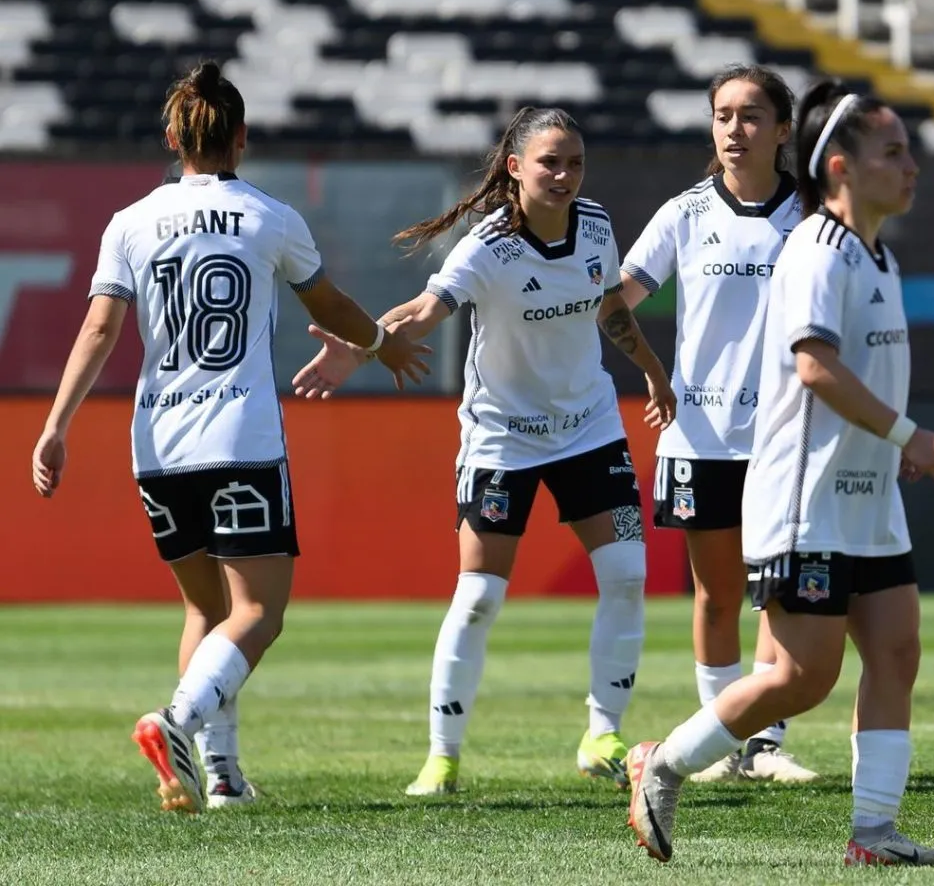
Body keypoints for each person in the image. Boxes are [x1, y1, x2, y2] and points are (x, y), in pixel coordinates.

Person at [31, 61, 429, 814]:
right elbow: (332, 304)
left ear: (172, 137)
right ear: (241, 138)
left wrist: (55, 426)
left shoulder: (130, 221)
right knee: (259, 613)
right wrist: (381, 342)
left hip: (157, 445)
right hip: (238, 438)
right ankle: (175, 721)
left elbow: (99, 328)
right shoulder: (269, 217)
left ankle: (222, 778)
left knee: (205, 613)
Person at [623, 80, 934, 866]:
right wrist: (909, 436)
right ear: (840, 166)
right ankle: (662, 764)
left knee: (897, 650)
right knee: (801, 676)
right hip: (806, 499)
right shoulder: (817, 249)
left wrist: (889, 449)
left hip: (866, 494)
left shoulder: (878, 252)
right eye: (894, 152)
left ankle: (874, 834)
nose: (911, 166)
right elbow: (814, 367)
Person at [290, 106, 675, 794]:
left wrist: (649, 367)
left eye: (575, 163)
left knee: (625, 574)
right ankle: (442, 757)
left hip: (589, 427)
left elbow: (610, 305)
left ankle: (602, 734)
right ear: (516, 168)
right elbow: (425, 309)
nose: (564, 175)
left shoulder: (596, 226)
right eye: (550, 162)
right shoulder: (489, 246)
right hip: (504, 437)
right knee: (477, 597)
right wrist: (365, 348)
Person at [618, 64, 816, 783]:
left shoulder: (816, 215)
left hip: (788, 438)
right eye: (723, 115)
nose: (736, 129)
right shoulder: (685, 213)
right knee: (718, 593)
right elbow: (619, 300)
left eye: (752, 115)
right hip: (701, 437)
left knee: (781, 590)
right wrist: (651, 370)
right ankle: (721, 746)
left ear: (783, 130)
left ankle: (765, 744)